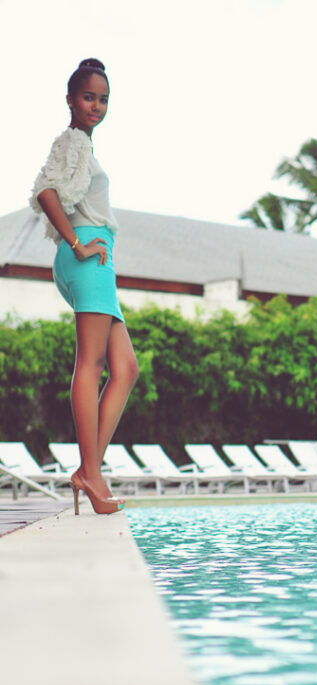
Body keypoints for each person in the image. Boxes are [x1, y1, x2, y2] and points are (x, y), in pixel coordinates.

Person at [30, 58, 138, 515]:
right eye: (89, 97)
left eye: (103, 99)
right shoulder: (72, 142)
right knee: (91, 365)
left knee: (126, 368)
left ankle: (89, 469)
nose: (96, 105)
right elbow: (46, 193)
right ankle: (90, 473)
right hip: (88, 261)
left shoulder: (83, 147)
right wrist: (77, 244)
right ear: (71, 99)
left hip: (97, 263)